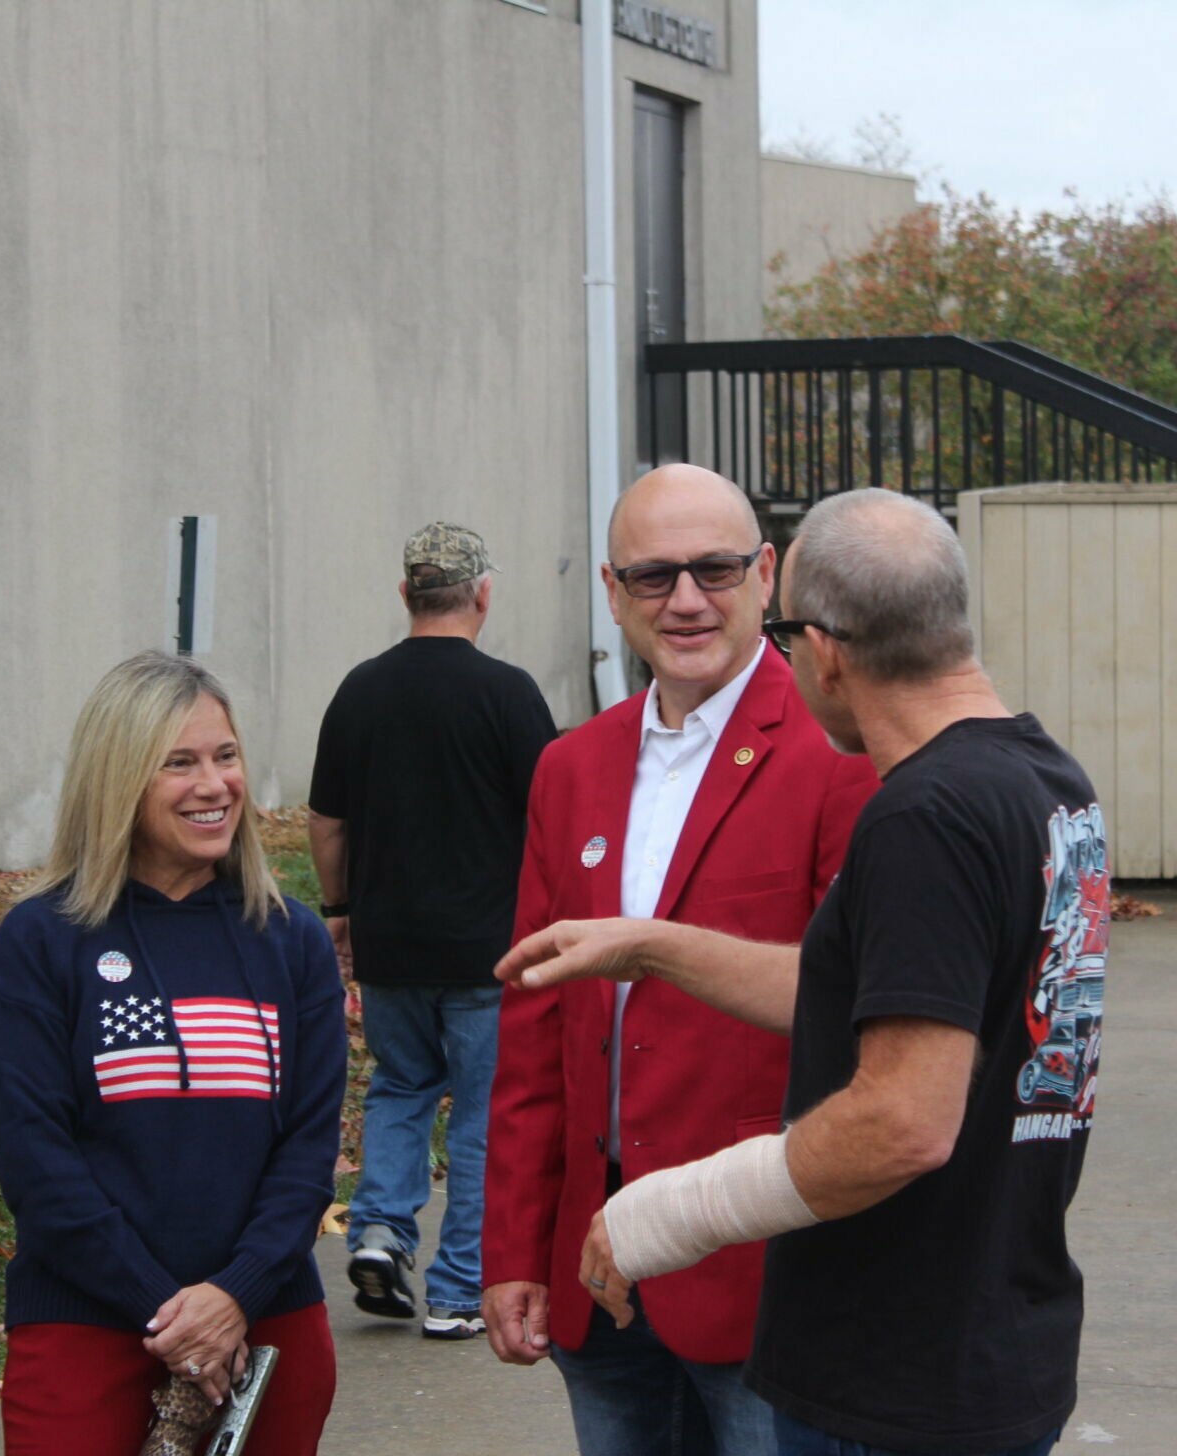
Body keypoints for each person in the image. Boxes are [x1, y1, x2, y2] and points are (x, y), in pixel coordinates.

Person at [498, 487, 1110, 1456]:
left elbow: (901, 1119)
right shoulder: (1047, 785)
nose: (690, 598)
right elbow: (881, 996)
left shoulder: (921, 816)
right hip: (996, 1328)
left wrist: (671, 1210)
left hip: (896, 1367)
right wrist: (651, 944)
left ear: (818, 645)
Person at [481, 466, 878, 1454]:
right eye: (654, 577)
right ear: (612, 593)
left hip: (761, 1270)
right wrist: (511, 1248)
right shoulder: (568, 768)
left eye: (714, 568)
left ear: (767, 575)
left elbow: (857, 1022)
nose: (687, 600)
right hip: (594, 1265)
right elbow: (534, 1027)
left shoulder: (842, 758)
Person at [0, 651, 347, 1456]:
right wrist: (169, 1312)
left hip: (267, 1321)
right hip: (84, 1325)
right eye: (178, 763)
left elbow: (309, 1150)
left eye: (225, 756)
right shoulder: (44, 939)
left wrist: (233, 1297)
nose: (213, 785)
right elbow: (37, 1162)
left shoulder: (291, 942)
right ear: (119, 780)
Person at [307, 522, 556, 1340]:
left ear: (405, 595)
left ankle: (379, 1231)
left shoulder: (359, 690)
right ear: (483, 594)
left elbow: (327, 821)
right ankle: (455, 1292)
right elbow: (552, 816)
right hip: (490, 951)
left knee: (402, 1087)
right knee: (484, 1112)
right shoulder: (509, 693)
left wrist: (338, 912)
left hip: (390, 947)